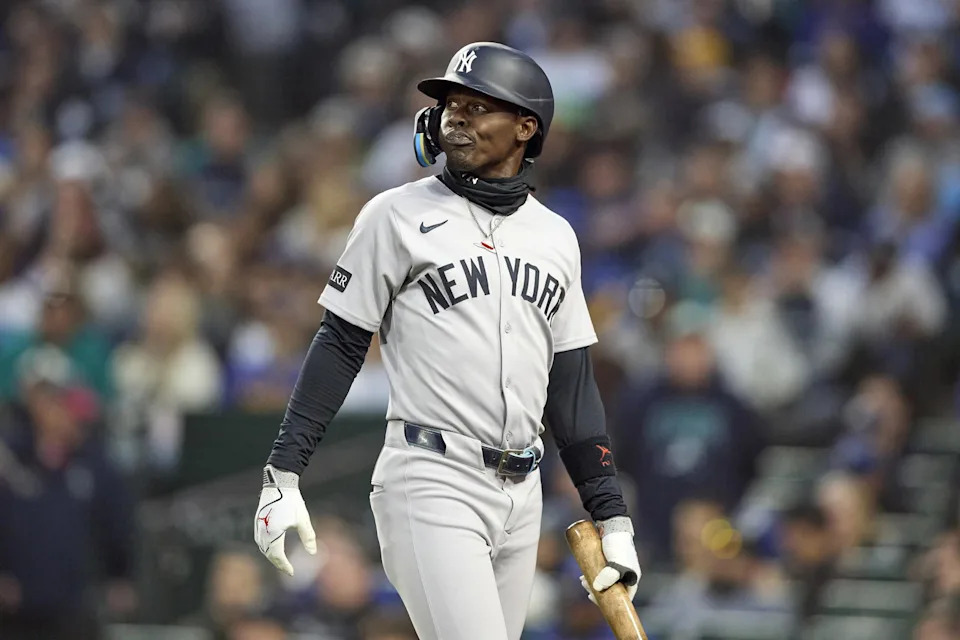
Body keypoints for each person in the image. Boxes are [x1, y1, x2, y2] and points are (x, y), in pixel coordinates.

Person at [253, 42, 641, 640]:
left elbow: (571, 385)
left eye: (477, 105)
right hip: (432, 475)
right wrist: (283, 472)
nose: (455, 116)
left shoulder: (556, 236)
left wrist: (611, 516)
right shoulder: (395, 215)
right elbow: (338, 343)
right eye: (450, 103)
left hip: (523, 492)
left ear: (524, 127)